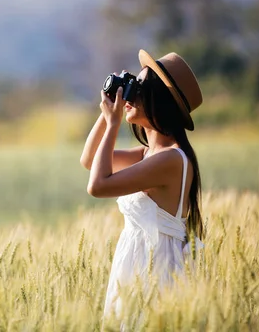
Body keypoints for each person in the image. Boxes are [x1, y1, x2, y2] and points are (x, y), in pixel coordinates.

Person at [80, 49, 205, 322]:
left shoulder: (171, 159)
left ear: (159, 101)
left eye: (139, 88)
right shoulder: (147, 154)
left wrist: (113, 123)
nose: (132, 94)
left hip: (156, 271)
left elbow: (98, 186)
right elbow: (90, 160)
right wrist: (108, 112)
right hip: (134, 265)